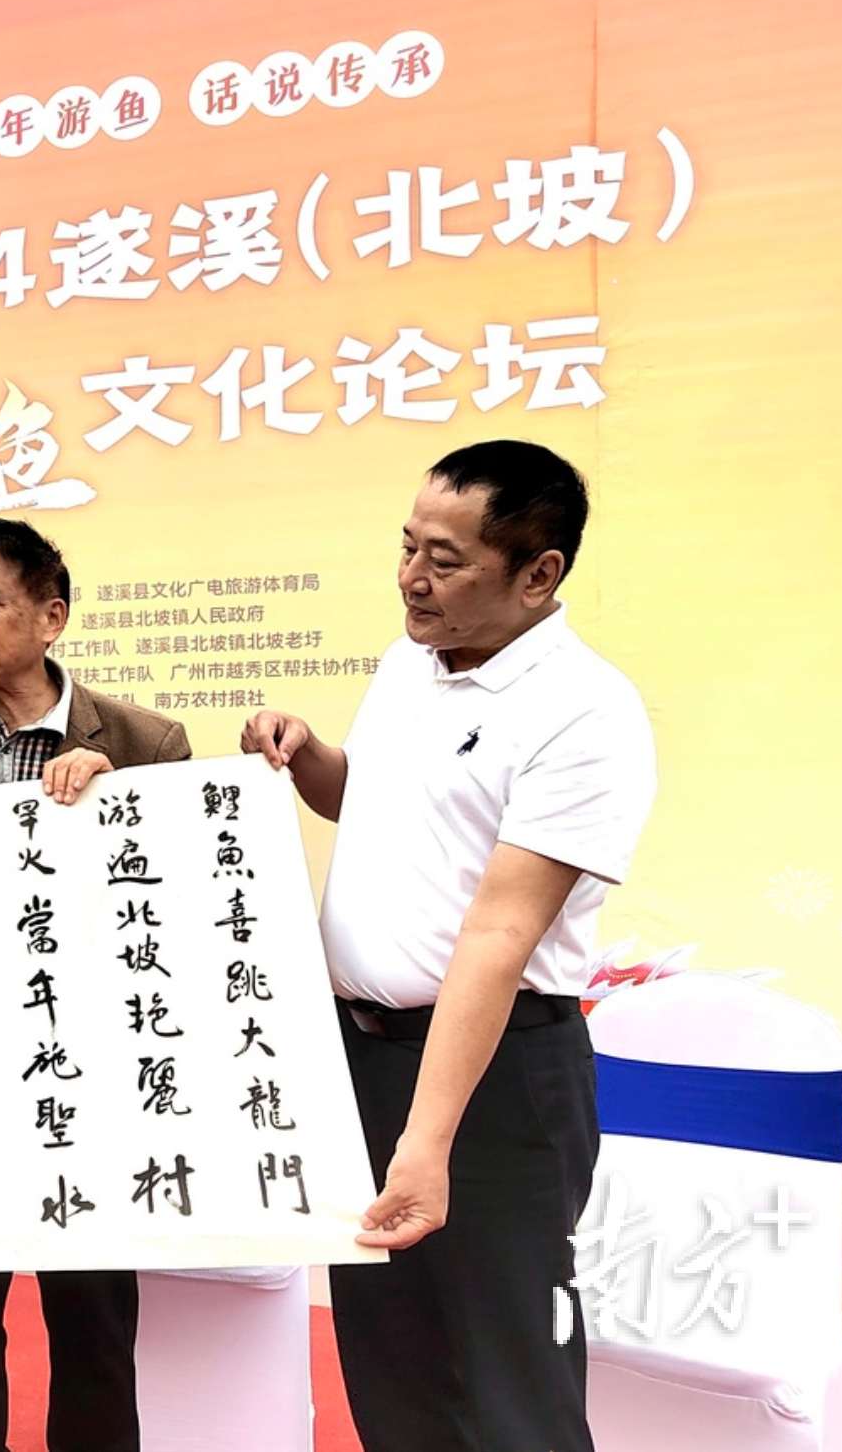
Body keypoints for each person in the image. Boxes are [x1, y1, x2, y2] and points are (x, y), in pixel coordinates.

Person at [240, 440, 655, 1452]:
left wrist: (425, 1143)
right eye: (406, 546)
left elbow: (500, 931)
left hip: (496, 1079)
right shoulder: (408, 663)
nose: (410, 578)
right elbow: (374, 802)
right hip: (365, 1059)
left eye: (444, 559)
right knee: (395, 1363)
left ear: (537, 573)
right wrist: (309, 757)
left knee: (509, 1375)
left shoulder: (584, 711)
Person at [0, 519, 190, 1452]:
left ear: (51, 617)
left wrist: (116, 805)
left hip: (83, 1070)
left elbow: (171, 905)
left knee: (92, 1323)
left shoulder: (142, 740)